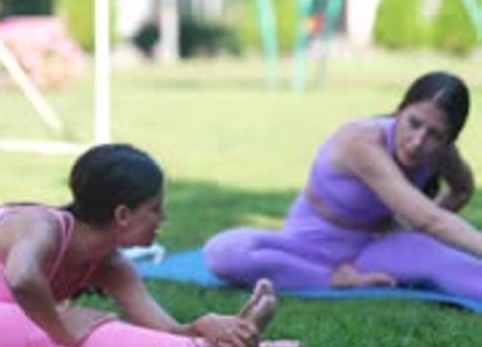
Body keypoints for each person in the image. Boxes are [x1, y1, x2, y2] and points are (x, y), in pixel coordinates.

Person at [0, 143, 281, 347]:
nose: (163, 217)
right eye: (154, 208)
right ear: (122, 215)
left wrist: (207, 325)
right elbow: (21, 276)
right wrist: (61, 327)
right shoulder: (41, 227)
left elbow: (166, 330)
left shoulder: (111, 266)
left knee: (62, 326)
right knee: (58, 333)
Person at [204, 71, 482, 297]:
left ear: (449, 139)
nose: (418, 141)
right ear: (399, 111)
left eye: (435, 134)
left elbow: (462, 189)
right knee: (225, 252)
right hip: (308, 246)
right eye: (413, 123)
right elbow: (430, 220)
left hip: (376, 247)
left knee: (453, 265)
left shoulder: (441, 153)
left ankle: (363, 272)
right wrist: (423, 229)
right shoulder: (361, 142)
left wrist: (414, 236)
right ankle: (337, 280)